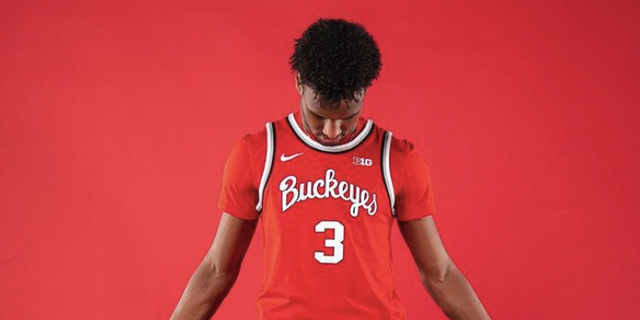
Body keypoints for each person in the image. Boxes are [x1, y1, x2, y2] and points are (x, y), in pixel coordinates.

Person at [170, 18, 491, 320]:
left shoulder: (397, 159)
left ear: (364, 92)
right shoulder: (259, 152)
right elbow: (217, 270)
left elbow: (441, 273)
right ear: (299, 83)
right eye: (319, 116)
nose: (333, 131)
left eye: (347, 117)